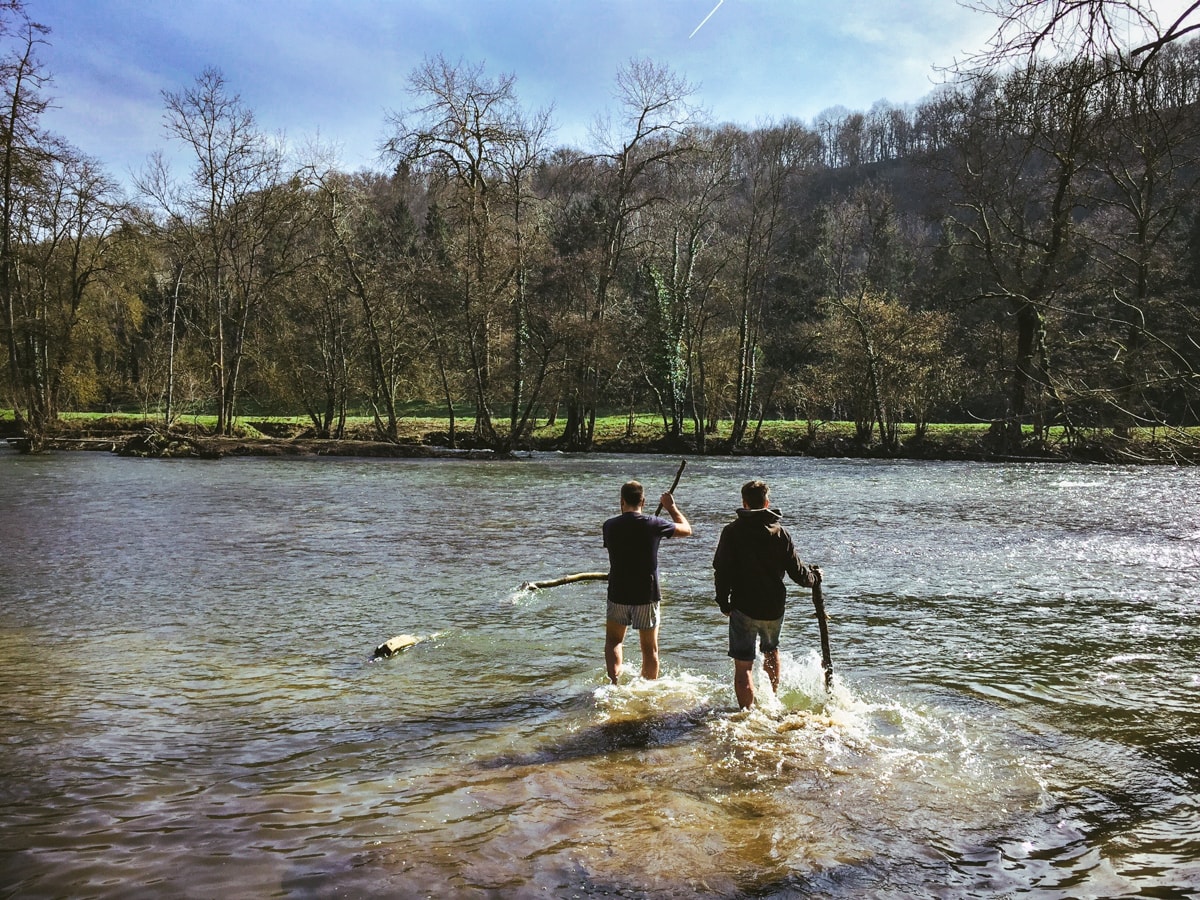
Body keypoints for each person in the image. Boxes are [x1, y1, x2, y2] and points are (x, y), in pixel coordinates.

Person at [712, 479, 820, 709]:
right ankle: (772, 701)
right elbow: (798, 573)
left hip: (743, 606)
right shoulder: (780, 532)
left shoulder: (732, 531)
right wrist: (815, 579)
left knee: (743, 665)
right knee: (771, 651)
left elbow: (722, 570)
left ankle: (746, 714)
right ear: (767, 502)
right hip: (773, 607)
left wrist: (723, 602)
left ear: (744, 502)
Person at [602, 480, 692, 684]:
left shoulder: (609, 525)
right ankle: (648, 688)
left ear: (621, 501)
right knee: (649, 648)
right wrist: (671, 507)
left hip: (618, 591)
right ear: (643, 500)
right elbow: (686, 529)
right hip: (647, 593)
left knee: (614, 641)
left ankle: (614, 684)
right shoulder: (654, 524)